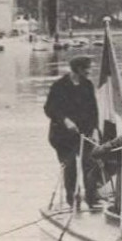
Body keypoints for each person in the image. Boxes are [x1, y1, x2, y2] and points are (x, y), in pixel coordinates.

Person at [44, 55, 100, 208]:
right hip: (62, 137)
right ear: (78, 69)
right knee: (70, 167)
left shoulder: (88, 85)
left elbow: (94, 110)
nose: (90, 71)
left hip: (85, 134)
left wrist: (95, 129)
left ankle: (92, 198)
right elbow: (49, 109)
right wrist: (65, 120)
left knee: (90, 164)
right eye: (87, 69)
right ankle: (72, 199)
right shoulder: (58, 86)